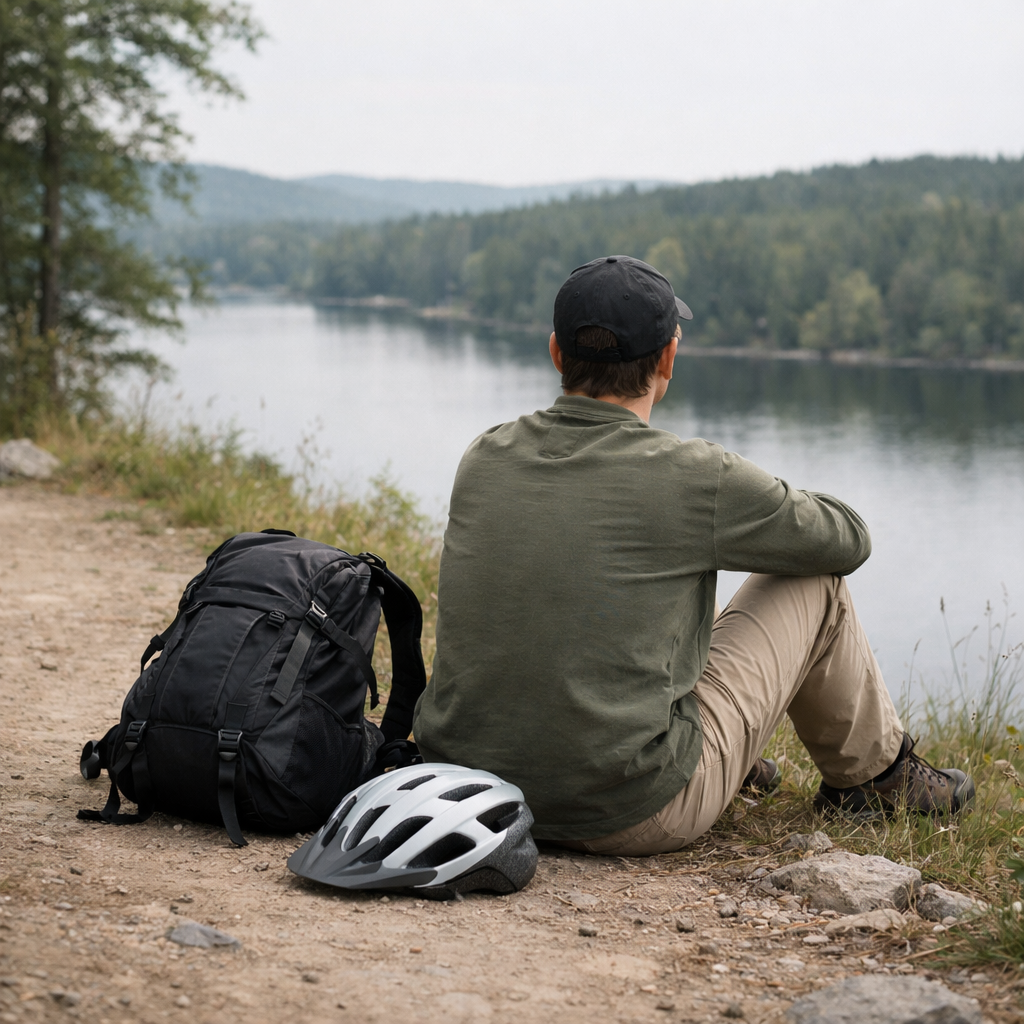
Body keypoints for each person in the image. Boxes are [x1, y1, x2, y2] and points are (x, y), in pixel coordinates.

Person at [411, 255, 975, 856]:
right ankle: (875, 780)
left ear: (555, 353)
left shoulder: (485, 455)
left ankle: (720, 756)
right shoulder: (694, 475)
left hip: (463, 791)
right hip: (626, 811)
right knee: (816, 587)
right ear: (667, 361)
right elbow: (846, 539)